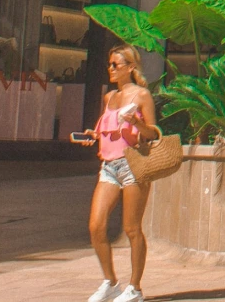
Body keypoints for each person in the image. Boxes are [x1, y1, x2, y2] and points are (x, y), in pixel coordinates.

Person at [71, 45, 160, 302]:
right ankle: (110, 282)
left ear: (131, 67)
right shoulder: (109, 97)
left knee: (131, 228)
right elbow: (107, 130)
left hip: (134, 164)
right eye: (109, 64)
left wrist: (137, 123)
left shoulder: (141, 95)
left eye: (115, 65)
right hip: (109, 166)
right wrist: (93, 136)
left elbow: (153, 134)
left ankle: (135, 288)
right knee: (96, 226)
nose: (110, 69)